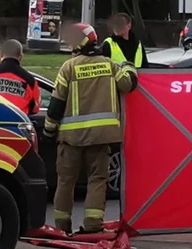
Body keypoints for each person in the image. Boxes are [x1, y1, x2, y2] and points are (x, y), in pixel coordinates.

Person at [43, 23, 137, 233]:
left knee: (66, 182)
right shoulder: (110, 65)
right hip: (101, 137)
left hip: (71, 139)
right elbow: (128, 84)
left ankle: (61, 226)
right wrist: (129, 66)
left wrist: (49, 130)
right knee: (98, 180)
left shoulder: (69, 67)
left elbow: (56, 103)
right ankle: (94, 226)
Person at [0, 39, 42, 114]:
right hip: (16, 122)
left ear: (1, 54)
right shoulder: (30, 80)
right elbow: (35, 108)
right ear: (21, 57)